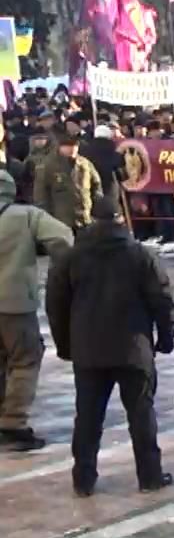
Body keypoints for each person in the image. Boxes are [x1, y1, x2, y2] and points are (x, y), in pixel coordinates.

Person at [47, 207, 174, 496]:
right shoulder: (140, 255)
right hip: (133, 348)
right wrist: (166, 338)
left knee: (88, 418)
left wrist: (66, 346)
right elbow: (162, 300)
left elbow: (55, 305)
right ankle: (150, 476)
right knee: (141, 414)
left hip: (89, 351)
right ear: (121, 221)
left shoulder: (71, 257)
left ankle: (83, 479)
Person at [0, 170, 73, 452]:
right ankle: (13, 423)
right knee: (25, 359)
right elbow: (63, 238)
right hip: (15, 302)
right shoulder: (26, 215)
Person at [33, 128, 99, 232]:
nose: (73, 149)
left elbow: (96, 186)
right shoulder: (48, 165)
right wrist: (47, 219)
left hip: (85, 219)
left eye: (75, 145)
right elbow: (40, 195)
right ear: (60, 146)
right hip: (61, 221)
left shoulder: (85, 163)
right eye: (68, 146)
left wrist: (95, 209)